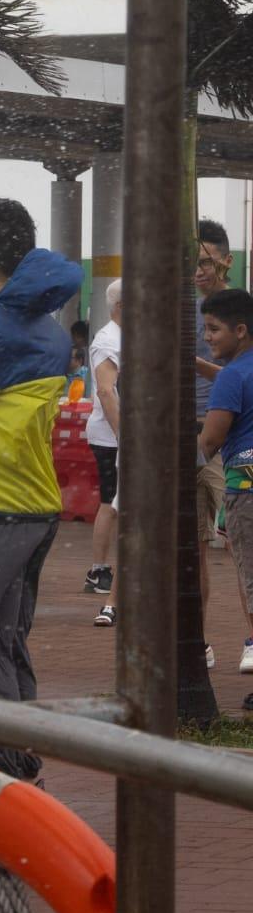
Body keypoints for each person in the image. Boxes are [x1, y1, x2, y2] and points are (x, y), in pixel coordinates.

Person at [0, 198, 82, 782]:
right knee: (7, 638)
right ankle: (20, 762)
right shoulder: (46, 328)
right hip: (36, 506)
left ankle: (10, 769)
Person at [199, 289, 253, 675]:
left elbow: (211, 440)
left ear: (240, 329)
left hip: (246, 493)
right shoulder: (239, 371)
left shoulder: (231, 378)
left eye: (213, 329)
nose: (207, 336)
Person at [194, 224, 240, 568]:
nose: (197, 271)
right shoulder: (183, 310)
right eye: (191, 262)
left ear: (228, 261)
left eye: (206, 262)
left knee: (240, 542)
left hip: (231, 441)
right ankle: (193, 624)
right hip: (190, 437)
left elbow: (241, 378)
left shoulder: (243, 314)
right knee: (190, 555)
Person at [83, 279, 122, 616]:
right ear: (120, 306)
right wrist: (125, 435)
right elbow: (106, 391)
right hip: (111, 437)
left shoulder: (125, 336)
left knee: (113, 501)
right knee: (111, 501)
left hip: (116, 435)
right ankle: (99, 569)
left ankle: (101, 569)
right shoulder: (108, 339)